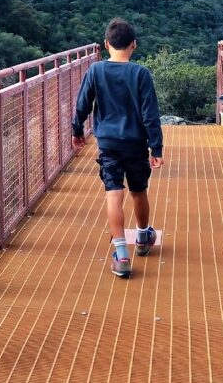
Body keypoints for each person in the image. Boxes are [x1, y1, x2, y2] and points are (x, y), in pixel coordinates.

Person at [71, 18, 164, 278]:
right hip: (136, 144)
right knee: (138, 190)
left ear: (106, 44)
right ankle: (144, 237)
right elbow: (150, 116)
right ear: (134, 45)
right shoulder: (141, 74)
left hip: (108, 144)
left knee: (113, 193)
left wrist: (77, 131)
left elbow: (83, 104)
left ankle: (121, 253)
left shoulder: (96, 70)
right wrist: (156, 149)